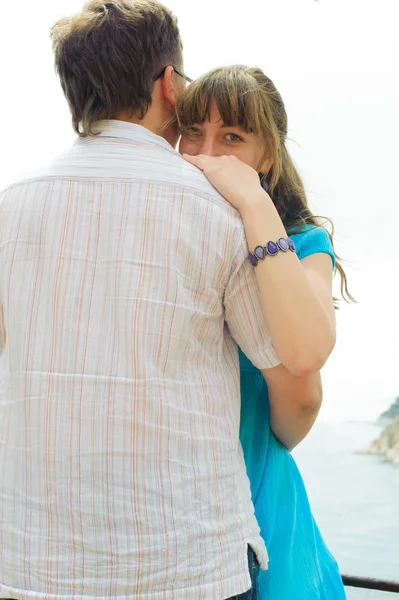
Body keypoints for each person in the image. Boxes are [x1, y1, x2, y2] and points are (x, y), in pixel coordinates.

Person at [0, 4, 306, 600]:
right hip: (189, 563)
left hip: (30, 561)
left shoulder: (7, 210)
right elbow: (293, 378)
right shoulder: (219, 211)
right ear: (170, 84)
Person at [177, 65, 350, 598]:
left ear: (267, 155)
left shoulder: (302, 242)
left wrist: (253, 203)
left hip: (258, 489)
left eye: (232, 137)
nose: (207, 153)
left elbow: (304, 376)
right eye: (193, 133)